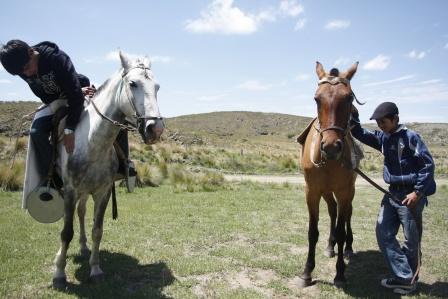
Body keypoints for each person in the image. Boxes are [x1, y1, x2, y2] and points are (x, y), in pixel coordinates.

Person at [0, 39, 135, 196]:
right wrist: (62, 96)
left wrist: (70, 129)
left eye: (27, 68)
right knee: (36, 132)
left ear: (31, 52)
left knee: (113, 118)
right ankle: (51, 179)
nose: (27, 74)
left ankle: (124, 165)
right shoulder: (21, 66)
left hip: (78, 94)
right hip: (57, 100)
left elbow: (75, 97)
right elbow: (45, 96)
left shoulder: (56, 58)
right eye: (21, 74)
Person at [350, 102, 436, 295]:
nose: (380, 125)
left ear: (395, 119)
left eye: (383, 121)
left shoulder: (411, 137)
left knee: (411, 241)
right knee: (383, 232)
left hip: (411, 195)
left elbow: (427, 166)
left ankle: (408, 279)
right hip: (392, 194)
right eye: (378, 122)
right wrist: (353, 116)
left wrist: (417, 192)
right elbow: (361, 133)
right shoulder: (383, 138)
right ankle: (405, 276)